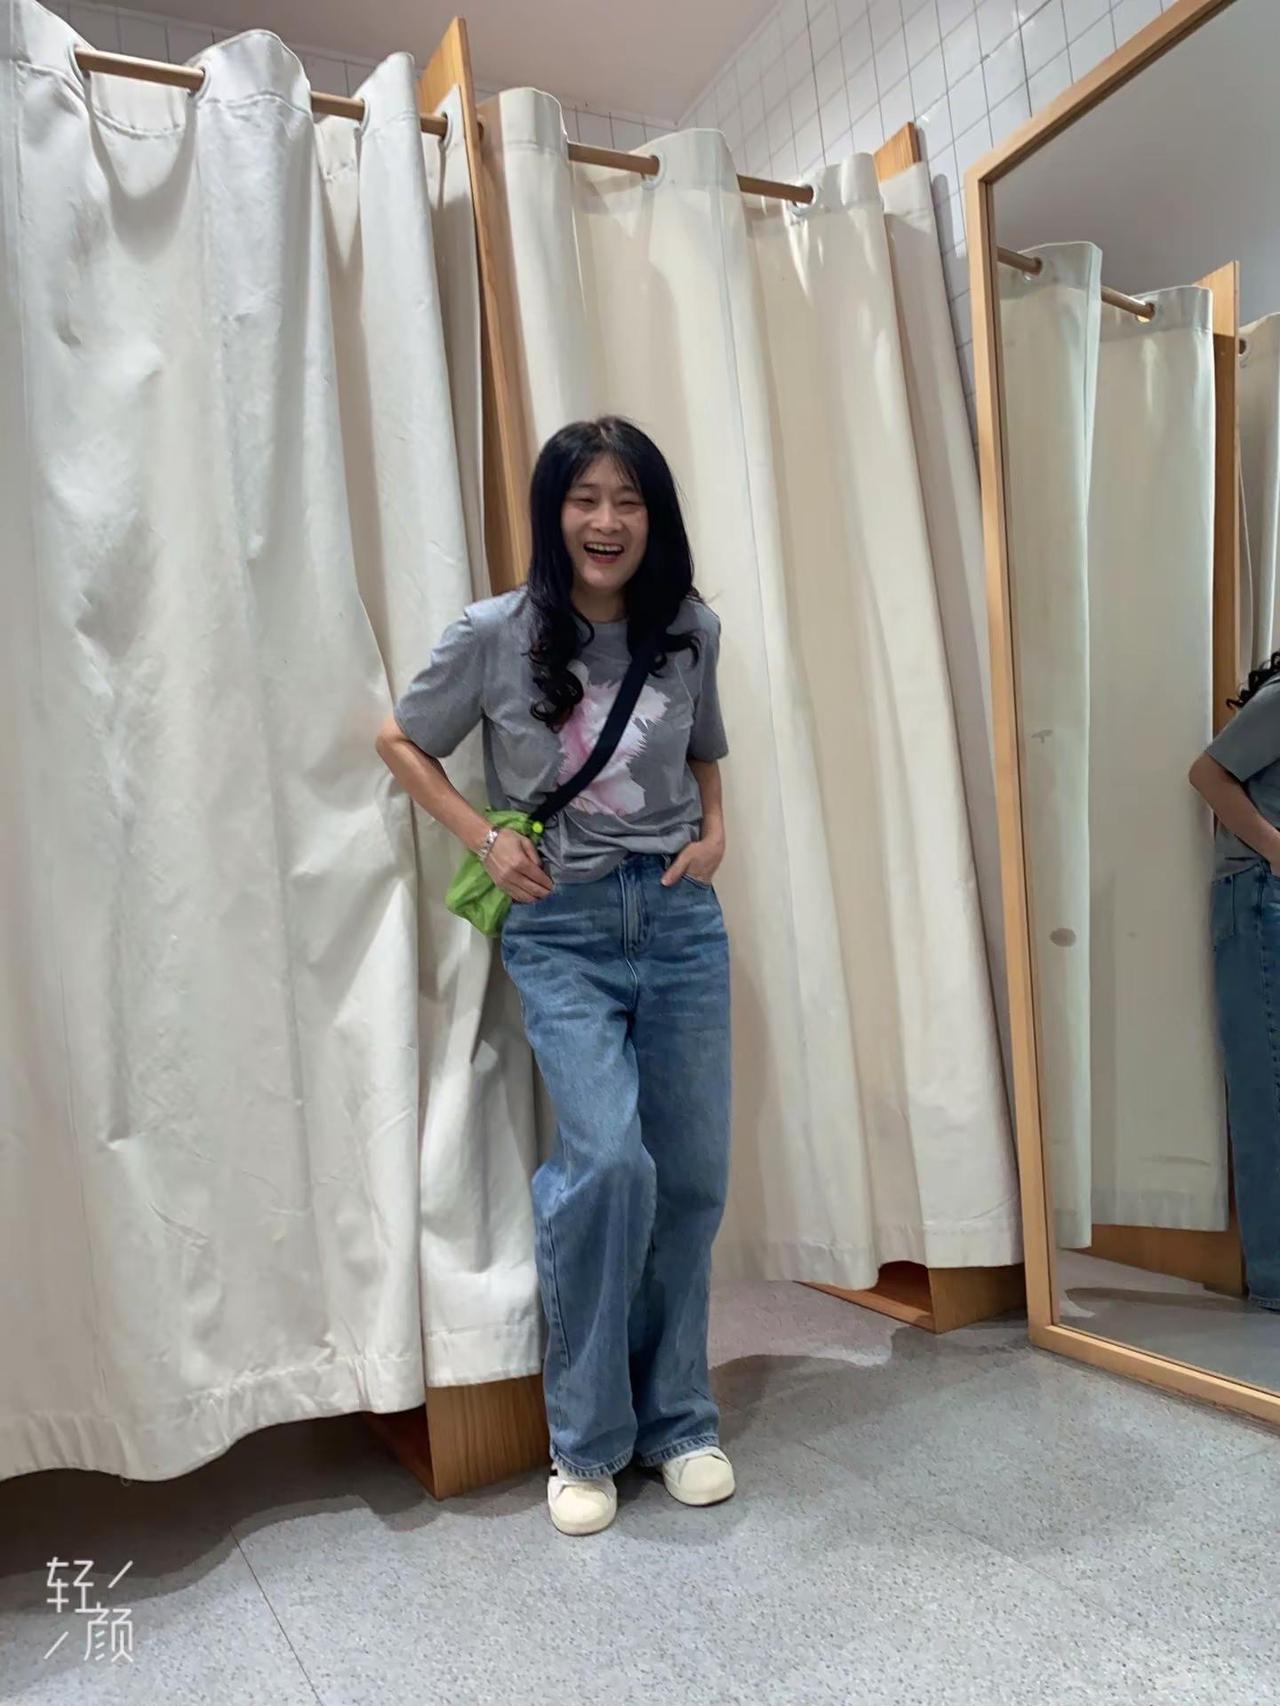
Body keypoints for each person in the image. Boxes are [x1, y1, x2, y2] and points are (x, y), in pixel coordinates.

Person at [376, 417, 735, 1536]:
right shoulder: (493, 632)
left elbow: (703, 750)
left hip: (679, 921)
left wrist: (716, 833)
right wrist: (483, 837)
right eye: (585, 498)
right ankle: (584, 1437)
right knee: (607, 1163)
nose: (607, 521)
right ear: (554, 513)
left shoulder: (688, 629)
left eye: (628, 499)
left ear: (653, 516)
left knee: (690, 1179)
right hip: (562, 925)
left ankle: (679, 1419)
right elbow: (400, 740)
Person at [1189, 653, 1280, 1313]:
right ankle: (1275, 1277)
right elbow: (1208, 773)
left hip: (1263, 893)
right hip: (1260, 895)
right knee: (1268, 1090)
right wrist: (1276, 850)